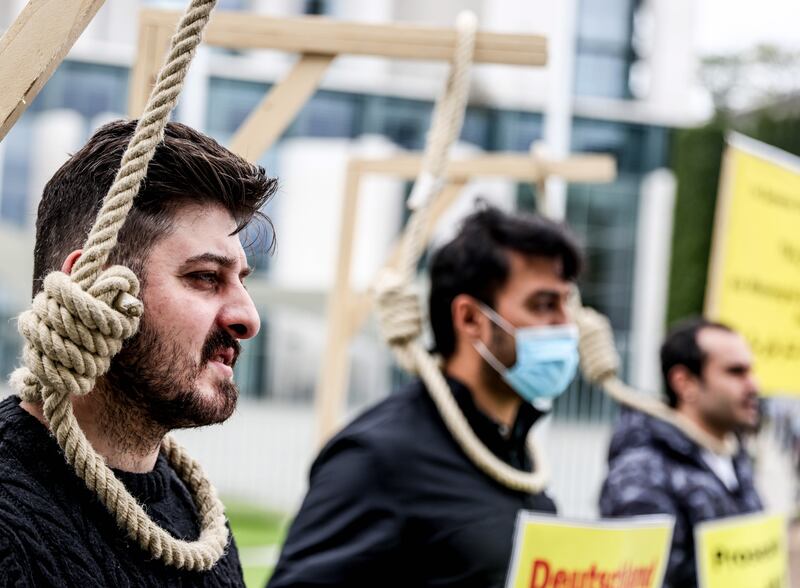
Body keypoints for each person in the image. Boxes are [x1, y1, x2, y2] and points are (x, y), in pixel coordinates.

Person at [0, 120, 277, 586]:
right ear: (90, 287)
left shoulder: (200, 524)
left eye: (241, 282)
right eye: (206, 277)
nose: (248, 318)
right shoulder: (9, 530)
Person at [268, 205, 583, 588]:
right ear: (470, 319)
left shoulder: (518, 456)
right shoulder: (379, 456)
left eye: (568, 304)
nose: (567, 326)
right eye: (545, 305)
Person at [599, 318, 763, 588]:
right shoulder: (642, 474)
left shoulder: (734, 460)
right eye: (736, 372)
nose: (753, 385)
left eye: (750, 371)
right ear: (684, 383)